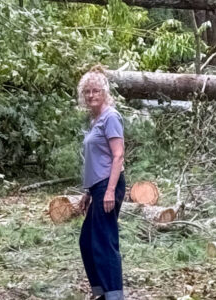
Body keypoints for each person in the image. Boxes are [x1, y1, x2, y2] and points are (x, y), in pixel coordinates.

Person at [77, 65, 126, 300]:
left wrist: (108, 191)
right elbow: (97, 158)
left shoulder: (110, 117)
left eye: (95, 90)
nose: (91, 95)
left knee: (105, 242)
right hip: (97, 187)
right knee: (87, 241)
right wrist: (89, 192)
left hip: (109, 185)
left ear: (104, 92)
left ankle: (114, 295)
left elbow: (118, 155)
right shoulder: (96, 120)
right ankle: (100, 292)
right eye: (87, 91)